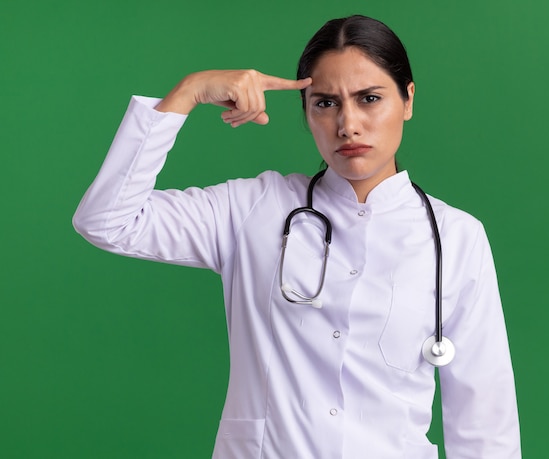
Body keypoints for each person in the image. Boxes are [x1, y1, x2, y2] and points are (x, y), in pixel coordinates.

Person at [73, 15, 521, 459]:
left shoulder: (456, 238)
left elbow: (484, 420)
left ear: (407, 100)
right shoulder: (251, 210)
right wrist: (189, 90)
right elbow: (107, 220)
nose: (348, 124)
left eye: (369, 98)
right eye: (325, 103)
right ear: (306, 113)